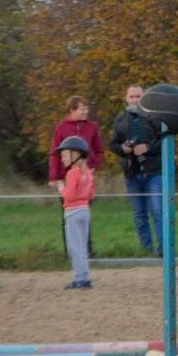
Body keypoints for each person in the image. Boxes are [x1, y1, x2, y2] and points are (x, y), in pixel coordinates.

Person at [110, 84, 164, 257]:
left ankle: (164, 249)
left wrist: (148, 147)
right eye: (131, 96)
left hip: (153, 172)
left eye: (138, 96)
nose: (135, 100)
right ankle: (146, 249)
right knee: (139, 214)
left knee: (157, 211)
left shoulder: (154, 117)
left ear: (144, 97)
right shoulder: (120, 119)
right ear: (126, 98)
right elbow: (113, 145)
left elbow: (165, 142)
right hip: (132, 173)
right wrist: (123, 148)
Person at [56, 136, 96, 289]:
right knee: (82, 246)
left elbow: (69, 195)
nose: (62, 159)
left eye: (65, 155)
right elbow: (91, 194)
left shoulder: (72, 173)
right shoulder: (88, 173)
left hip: (72, 212)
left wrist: (61, 188)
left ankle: (80, 278)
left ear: (75, 154)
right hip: (85, 210)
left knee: (74, 247)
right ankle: (85, 276)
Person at [48, 96, 105, 189]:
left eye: (87, 109)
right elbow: (54, 154)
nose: (86, 112)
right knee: (68, 201)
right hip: (65, 177)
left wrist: (93, 167)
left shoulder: (92, 127)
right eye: (82, 109)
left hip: (86, 175)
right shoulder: (61, 128)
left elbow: (99, 151)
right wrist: (53, 177)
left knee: (85, 202)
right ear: (72, 110)